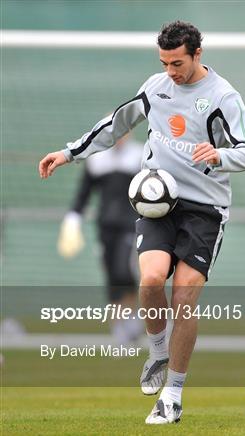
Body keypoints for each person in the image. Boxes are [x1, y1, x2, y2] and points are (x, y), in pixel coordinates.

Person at [39, 20, 245, 425]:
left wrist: (219, 156)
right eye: (165, 63)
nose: (171, 72)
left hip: (205, 210)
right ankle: (158, 351)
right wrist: (68, 153)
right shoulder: (155, 87)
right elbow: (114, 126)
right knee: (151, 281)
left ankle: (172, 395)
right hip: (158, 203)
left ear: (197, 54)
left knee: (184, 296)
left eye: (178, 63)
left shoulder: (223, 97)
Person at [57, 132, 143, 345]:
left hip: (131, 224)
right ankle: (117, 325)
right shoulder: (97, 159)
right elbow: (84, 193)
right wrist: (73, 218)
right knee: (112, 273)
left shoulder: (139, 156)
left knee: (125, 269)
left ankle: (131, 316)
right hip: (105, 225)